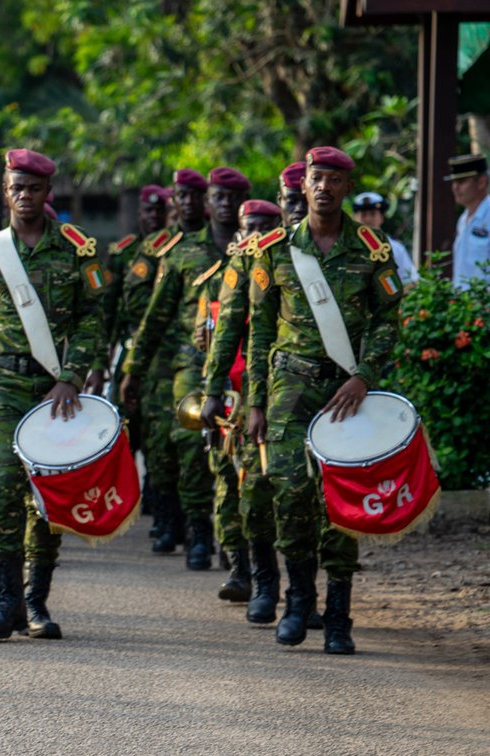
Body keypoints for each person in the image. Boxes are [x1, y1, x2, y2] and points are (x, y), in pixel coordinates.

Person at [246, 146, 401, 655]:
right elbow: (260, 329)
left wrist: (364, 375)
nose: (323, 187)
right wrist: (255, 402)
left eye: (334, 179)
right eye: (317, 177)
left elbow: (387, 321)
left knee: (340, 497)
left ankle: (339, 614)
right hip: (290, 384)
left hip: (347, 392)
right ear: (304, 182)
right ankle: (298, 601)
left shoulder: (372, 250)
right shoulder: (274, 249)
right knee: (288, 490)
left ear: (345, 188)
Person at [0, 148, 106, 641]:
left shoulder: (77, 249)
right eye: (16, 188)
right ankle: (6, 601)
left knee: (47, 496)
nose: (24, 196)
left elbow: (92, 320)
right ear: (5, 190)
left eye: (33, 188)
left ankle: (37, 601)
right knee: (1, 489)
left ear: (47, 192)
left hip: (54, 390)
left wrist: (73, 376)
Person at [121, 167, 250, 571]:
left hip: (247, 365)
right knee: (192, 445)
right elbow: (155, 316)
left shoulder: (259, 250)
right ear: (208, 202)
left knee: (238, 453)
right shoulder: (181, 253)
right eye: (219, 197)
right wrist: (133, 371)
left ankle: (238, 537)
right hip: (192, 364)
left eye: (232, 197)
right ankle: (198, 533)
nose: (225, 204)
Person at [198, 198, 283, 609]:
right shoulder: (225, 275)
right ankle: (240, 568)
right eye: (250, 228)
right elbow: (216, 332)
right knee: (229, 481)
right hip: (233, 392)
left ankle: (272, 577)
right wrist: (212, 389)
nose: (257, 236)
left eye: (265, 227)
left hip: (270, 389)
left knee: (260, 484)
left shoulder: (283, 265)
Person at [98, 184, 171, 536]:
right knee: (125, 424)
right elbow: (109, 307)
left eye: (160, 212)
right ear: (139, 213)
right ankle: (127, 491)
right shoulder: (123, 253)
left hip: (166, 353)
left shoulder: (176, 250)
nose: (154, 217)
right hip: (129, 347)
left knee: (160, 426)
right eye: (149, 211)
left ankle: (158, 492)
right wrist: (103, 357)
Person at [352, 192, 417, 287]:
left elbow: (411, 282)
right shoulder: (344, 245)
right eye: (363, 214)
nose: (368, 219)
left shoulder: (396, 249)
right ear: (355, 218)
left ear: (382, 217)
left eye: (373, 214)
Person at [447, 153, 490, 288]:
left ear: (481, 182)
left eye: (461, 181)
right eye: (453, 182)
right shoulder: (463, 219)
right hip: (463, 305)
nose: (455, 187)